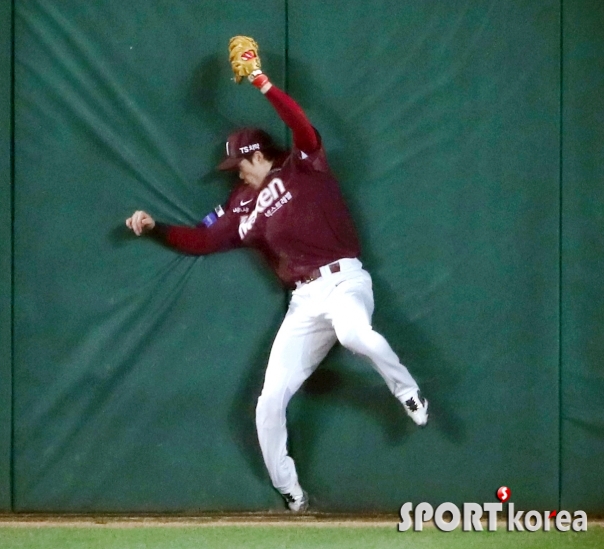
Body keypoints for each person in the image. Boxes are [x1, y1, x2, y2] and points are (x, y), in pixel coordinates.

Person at [126, 37, 428, 513]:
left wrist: (261, 81)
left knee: (355, 334)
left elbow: (301, 125)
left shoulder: (301, 165)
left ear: (257, 154)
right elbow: (204, 240)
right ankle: (293, 495)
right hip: (304, 302)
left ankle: (407, 390)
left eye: (238, 162)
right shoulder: (239, 205)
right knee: (268, 403)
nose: (235, 172)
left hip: (345, 281)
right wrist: (155, 228)